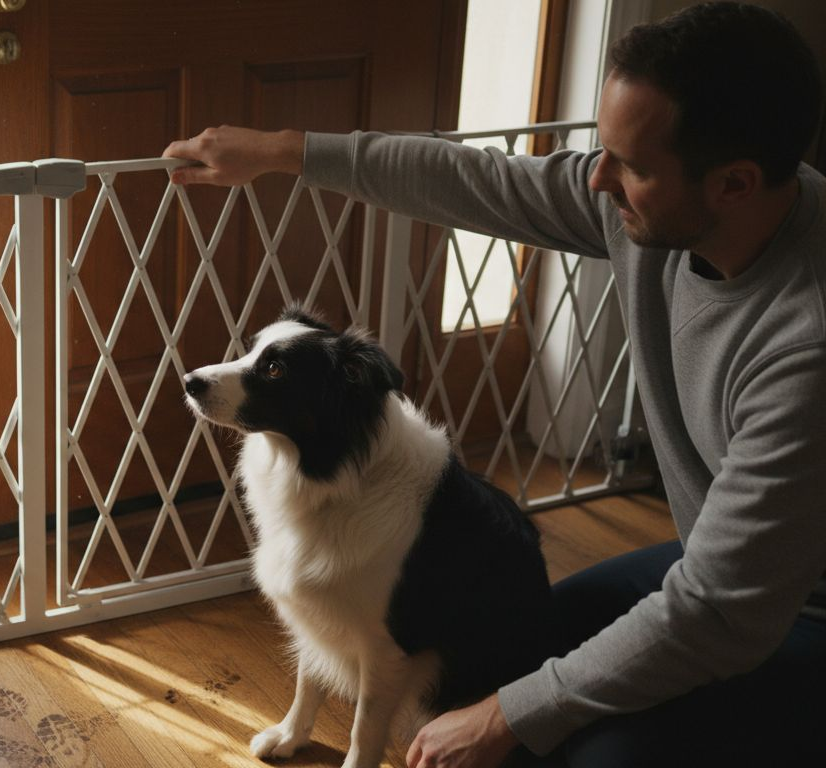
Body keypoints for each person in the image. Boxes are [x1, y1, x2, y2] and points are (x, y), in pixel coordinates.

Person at [163, 3, 825, 767]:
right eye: (599, 152)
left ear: (734, 185)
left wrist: (504, 717)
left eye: (629, 167)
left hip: (796, 612)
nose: (596, 180)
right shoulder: (665, 201)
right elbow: (480, 179)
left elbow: (720, 612)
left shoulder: (804, 349)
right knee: (509, 651)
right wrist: (286, 151)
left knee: (561, 744)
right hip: (719, 566)